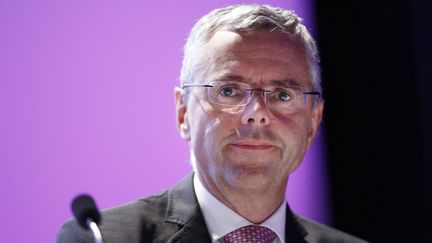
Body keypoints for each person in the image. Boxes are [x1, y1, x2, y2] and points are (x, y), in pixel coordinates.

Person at [56, 4, 368, 243]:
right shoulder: (103, 238)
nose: (256, 113)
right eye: (229, 91)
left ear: (313, 121)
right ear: (183, 113)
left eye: (283, 95)